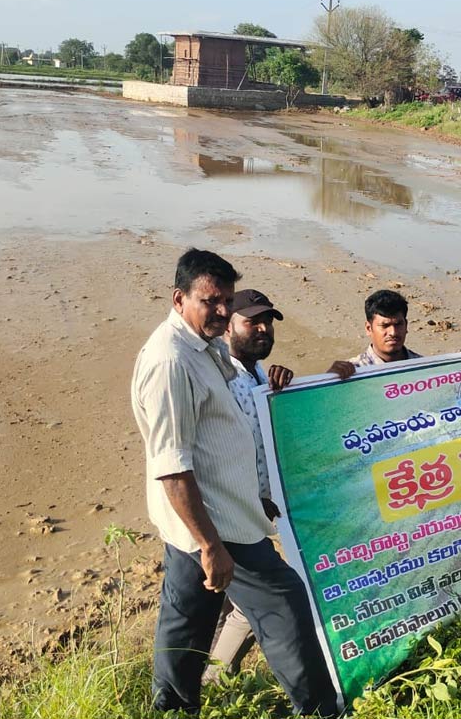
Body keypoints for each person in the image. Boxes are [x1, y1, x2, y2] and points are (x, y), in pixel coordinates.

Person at [131, 249, 338, 715]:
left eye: (226, 300)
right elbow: (172, 464)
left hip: (204, 522)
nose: (222, 311)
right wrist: (210, 546)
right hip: (218, 526)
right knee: (284, 603)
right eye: (211, 301)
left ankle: (173, 707)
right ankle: (323, 709)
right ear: (179, 298)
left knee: (188, 622)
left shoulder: (202, 348)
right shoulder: (171, 361)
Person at [203, 289, 293, 684]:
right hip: (229, 515)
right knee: (263, 598)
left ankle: (210, 678)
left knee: (226, 604)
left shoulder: (258, 375)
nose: (262, 328)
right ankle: (215, 680)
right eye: (252, 321)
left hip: (257, 512)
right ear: (227, 327)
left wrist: (284, 390)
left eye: (268, 321)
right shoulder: (219, 378)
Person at [350, 289, 422, 367]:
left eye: (398, 324)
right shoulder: (353, 373)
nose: (393, 332)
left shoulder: (424, 368)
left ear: (406, 326)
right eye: (385, 326)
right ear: (369, 328)